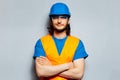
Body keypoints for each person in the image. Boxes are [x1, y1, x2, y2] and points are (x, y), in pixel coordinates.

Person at [33, 2, 88, 80]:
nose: (59, 21)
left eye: (63, 17)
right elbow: (41, 72)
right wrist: (68, 66)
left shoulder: (77, 43)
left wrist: (51, 67)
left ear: (68, 20)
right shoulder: (41, 43)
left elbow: (78, 74)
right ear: (51, 20)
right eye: (55, 17)